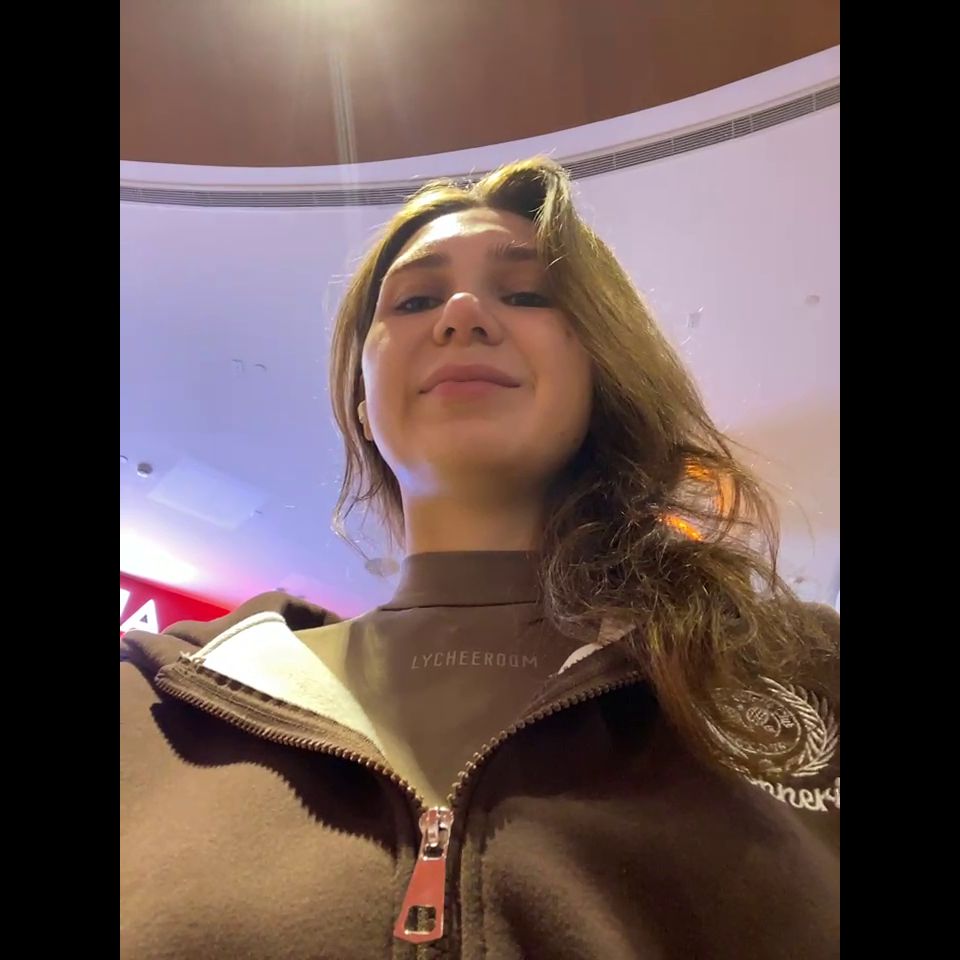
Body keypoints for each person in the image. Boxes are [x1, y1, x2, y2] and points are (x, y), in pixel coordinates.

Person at [121, 156, 839, 959]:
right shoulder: (150, 705)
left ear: (600, 368)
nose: (462, 312)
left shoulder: (805, 671)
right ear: (362, 405)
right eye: (415, 300)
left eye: (527, 293)